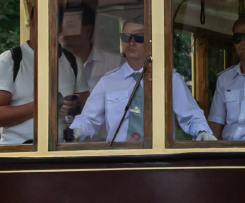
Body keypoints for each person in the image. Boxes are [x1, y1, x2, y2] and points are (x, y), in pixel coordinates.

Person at [70, 18, 215, 144]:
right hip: (118, 159)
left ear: (150, 42)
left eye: (139, 37)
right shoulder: (108, 81)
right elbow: (89, 119)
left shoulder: (169, 80)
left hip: (158, 160)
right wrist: (76, 131)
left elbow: (191, 116)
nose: (131, 42)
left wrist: (202, 132)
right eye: (126, 37)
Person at [0, 6, 89, 145]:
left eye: (48, 24)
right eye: (37, 24)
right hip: (18, 153)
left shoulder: (73, 62)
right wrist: (42, 105)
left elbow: (89, 108)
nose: (42, 30)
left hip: (61, 151)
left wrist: (75, 106)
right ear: (30, 25)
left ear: (59, 28)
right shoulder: (9, 61)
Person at [58, 2, 122, 92]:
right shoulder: (53, 64)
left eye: (70, 26)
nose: (63, 32)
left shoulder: (114, 64)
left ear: (88, 30)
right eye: (61, 27)